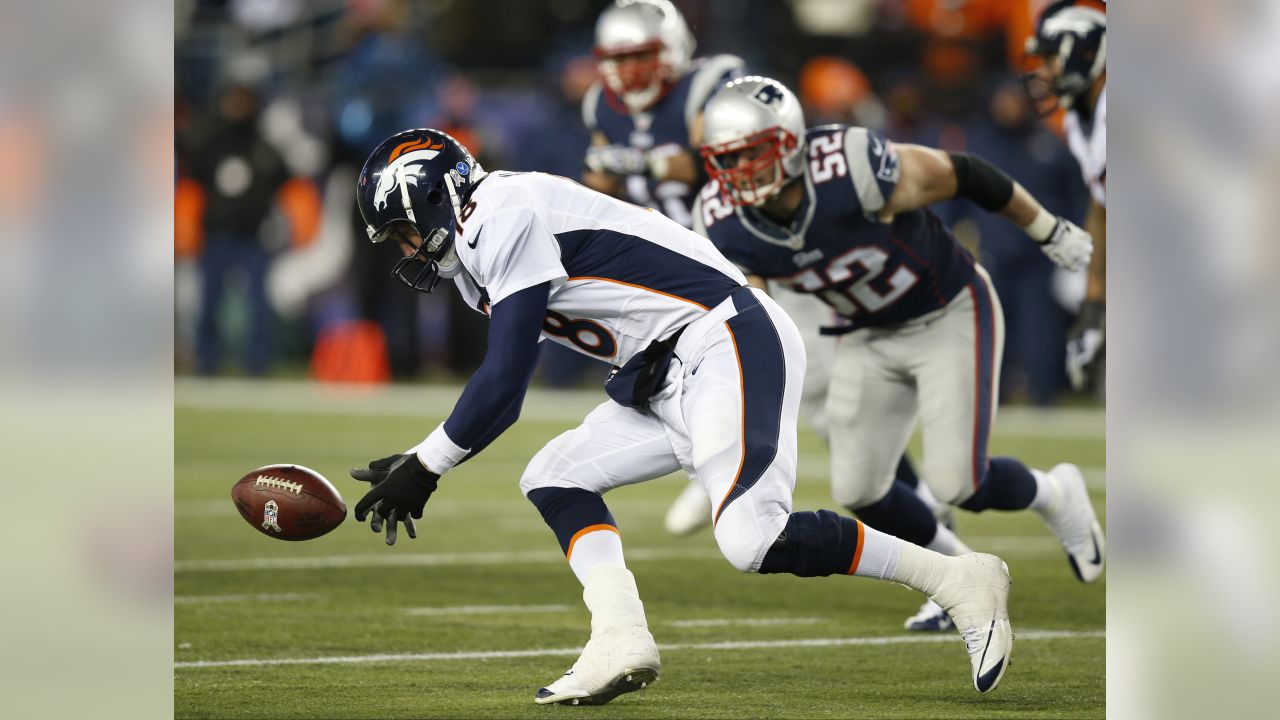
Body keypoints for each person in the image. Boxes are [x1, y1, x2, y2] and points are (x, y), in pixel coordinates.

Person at [349, 128, 1014, 704]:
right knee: (555, 475)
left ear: (435, 196)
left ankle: (958, 578)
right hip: (665, 373)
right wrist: (422, 457)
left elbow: (505, 380)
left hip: (723, 337)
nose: (408, 249)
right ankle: (619, 637)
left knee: (753, 540)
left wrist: (428, 465)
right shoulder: (477, 249)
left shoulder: (500, 212)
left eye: (405, 231)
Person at [694, 77, 1106, 588]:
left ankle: (1056, 493)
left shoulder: (848, 166)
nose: (739, 171)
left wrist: (1048, 230)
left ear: (789, 142)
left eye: (752, 153)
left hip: (946, 309)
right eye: (725, 159)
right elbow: (761, 317)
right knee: (860, 488)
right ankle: (957, 576)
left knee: (961, 482)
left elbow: (964, 173)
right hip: (867, 333)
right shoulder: (723, 220)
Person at [1021, 0, 1106, 393]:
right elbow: (1103, 205)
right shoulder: (1079, 118)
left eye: (1051, 58)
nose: (1043, 71)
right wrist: (1094, 305)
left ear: (1088, 53)